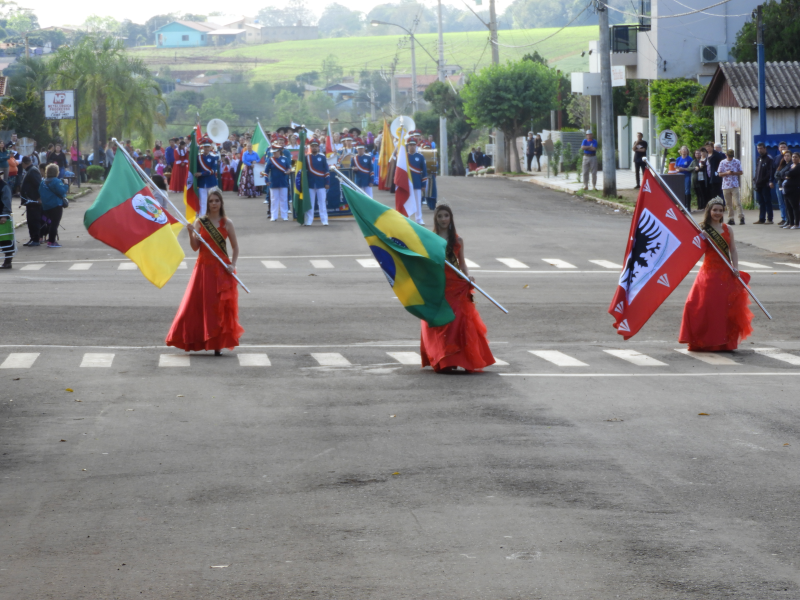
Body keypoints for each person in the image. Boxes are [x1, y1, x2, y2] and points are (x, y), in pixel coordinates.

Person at [166, 187, 243, 355]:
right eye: (211, 201)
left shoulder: (227, 223)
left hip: (222, 269)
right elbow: (195, 248)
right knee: (198, 306)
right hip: (203, 269)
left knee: (219, 307)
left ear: (221, 203)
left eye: (217, 201)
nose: (214, 203)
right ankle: (198, 339)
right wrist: (190, 233)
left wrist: (233, 264)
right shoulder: (200, 222)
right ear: (207, 203)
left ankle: (217, 344)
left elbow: (235, 247)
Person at [419, 204, 495, 373]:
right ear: (436, 219)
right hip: (438, 285)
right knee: (441, 324)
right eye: (440, 216)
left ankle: (458, 358)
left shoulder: (457, 240)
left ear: (450, 218)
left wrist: (467, 276)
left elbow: (462, 264)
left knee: (457, 322)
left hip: (456, 286)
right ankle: (444, 360)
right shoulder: (430, 239)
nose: (443, 219)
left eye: (446, 216)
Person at [679, 198, 753, 351]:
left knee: (722, 308)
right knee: (697, 305)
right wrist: (701, 237)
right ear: (709, 211)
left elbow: (733, 249)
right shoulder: (702, 229)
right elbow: (691, 248)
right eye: (715, 210)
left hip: (725, 273)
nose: (718, 213)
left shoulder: (727, 229)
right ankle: (702, 340)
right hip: (708, 273)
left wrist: (736, 267)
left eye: (720, 210)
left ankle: (723, 342)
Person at [39, 164, 68, 249]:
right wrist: (66, 184)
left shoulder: (43, 182)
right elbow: (62, 192)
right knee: (54, 224)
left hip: (46, 206)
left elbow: (39, 192)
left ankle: (49, 239)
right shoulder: (56, 181)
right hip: (56, 205)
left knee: (50, 223)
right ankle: (51, 241)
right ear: (56, 172)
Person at [304, 139, 330, 226]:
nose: (314, 148)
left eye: (315, 146)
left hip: (321, 183)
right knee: (310, 203)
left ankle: (324, 220)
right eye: (312, 146)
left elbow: (326, 170)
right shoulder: (306, 157)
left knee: (322, 202)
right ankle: (309, 220)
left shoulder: (322, 157)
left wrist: (327, 182)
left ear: (318, 147)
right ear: (310, 147)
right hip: (310, 183)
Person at [265, 140, 291, 221]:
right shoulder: (270, 160)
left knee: (284, 199)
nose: (274, 153)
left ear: (279, 151)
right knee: (274, 200)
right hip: (273, 182)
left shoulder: (285, 159)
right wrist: (266, 180)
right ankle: (274, 215)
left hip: (283, 181)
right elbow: (266, 171)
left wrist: (288, 171)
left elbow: (289, 168)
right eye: (273, 152)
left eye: (275, 152)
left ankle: (284, 215)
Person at [19, 156, 42, 247]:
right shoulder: (30, 170)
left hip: (34, 200)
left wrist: (39, 197)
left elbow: (39, 185)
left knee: (34, 221)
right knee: (30, 221)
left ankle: (36, 239)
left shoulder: (33, 171)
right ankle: (32, 238)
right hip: (30, 200)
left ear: (24, 163)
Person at [718, 149, 744, 225]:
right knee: (728, 203)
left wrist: (734, 173)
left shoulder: (737, 161)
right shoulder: (722, 162)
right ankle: (731, 218)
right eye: (729, 156)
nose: (730, 158)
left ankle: (741, 217)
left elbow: (741, 172)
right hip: (725, 185)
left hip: (734, 184)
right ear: (726, 155)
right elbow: (719, 174)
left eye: (731, 156)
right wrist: (727, 173)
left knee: (737, 202)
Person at [406, 137, 428, 225]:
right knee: (407, 201)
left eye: (413, 145)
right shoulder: (404, 156)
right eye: (410, 145)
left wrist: (423, 184)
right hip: (406, 183)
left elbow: (424, 171)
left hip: (417, 183)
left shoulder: (420, 157)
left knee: (418, 202)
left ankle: (419, 219)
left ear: (416, 146)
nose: (411, 147)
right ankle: (407, 218)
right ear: (408, 146)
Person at [195, 136, 219, 215]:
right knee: (203, 202)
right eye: (205, 147)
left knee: (213, 202)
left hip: (211, 182)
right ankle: (203, 218)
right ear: (203, 147)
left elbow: (213, 170)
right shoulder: (198, 157)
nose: (206, 149)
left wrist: (201, 174)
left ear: (210, 147)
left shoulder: (214, 157)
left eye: (208, 147)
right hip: (202, 183)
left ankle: (213, 216)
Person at [753, 142, 775, 224]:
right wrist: (755, 179)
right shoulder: (759, 158)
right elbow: (757, 171)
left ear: (765, 149)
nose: (759, 150)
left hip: (765, 184)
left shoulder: (769, 158)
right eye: (758, 148)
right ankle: (761, 218)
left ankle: (770, 218)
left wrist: (768, 180)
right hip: (758, 184)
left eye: (761, 148)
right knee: (761, 201)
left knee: (767, 201)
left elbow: (770, 172)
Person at [780, 151, 800, 230]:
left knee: (795, 207)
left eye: (796, 157)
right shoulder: (791, 165)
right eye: (793, 157)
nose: (794, 158)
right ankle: (790, 223)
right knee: (788, 207)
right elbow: (782, 173)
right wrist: (787, 174)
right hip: (786, 190)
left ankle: (796, 224)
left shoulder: (798, 166)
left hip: (794, 189)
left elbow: (790, 173)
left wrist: (787, 174)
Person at [773, 141, 789, 225]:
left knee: (788, 201)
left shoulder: (791, 158)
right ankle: (783, 218)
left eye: (784, 147)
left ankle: (789, 218)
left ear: (787, 148)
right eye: (781, 147)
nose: (783, 149)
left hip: (787, 184)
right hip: (778, 183)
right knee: (781, 202)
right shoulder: (776, 158)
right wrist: (771, 180)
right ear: (779, 149)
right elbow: (774, 171)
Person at [0, 173, 13, 269]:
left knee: (5, 239)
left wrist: (4, 215)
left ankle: (8, 261)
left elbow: (7, 201)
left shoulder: (4, 186)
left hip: (2, 217)